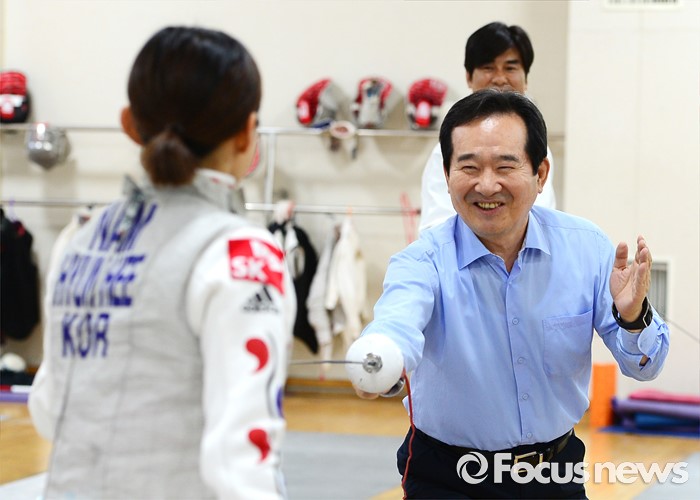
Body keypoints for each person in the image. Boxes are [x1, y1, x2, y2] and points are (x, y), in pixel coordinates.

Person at [350, 89, 669, 499]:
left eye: (505, 166)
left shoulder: (587, 249)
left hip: (554, 472)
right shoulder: (421, 262)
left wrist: (634, 318)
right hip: (448, 477)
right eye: (468, 167)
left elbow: (646, 368)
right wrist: (380, 357)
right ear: (447, 175)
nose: (486, 185)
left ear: (540, 173)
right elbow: (397, 323)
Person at [28, 26, 295, 499]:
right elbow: (241, 457)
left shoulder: (82, 240)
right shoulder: (241, 253)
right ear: (246, 133)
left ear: (130, 124)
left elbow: (49, 408)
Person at [420, 21, 557, 232]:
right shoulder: (452, 148)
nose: (500, 78)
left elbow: (542, 218)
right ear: (469, 77)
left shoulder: (537, 143)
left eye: (510, 68)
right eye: (488, 68)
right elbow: (435, 226)